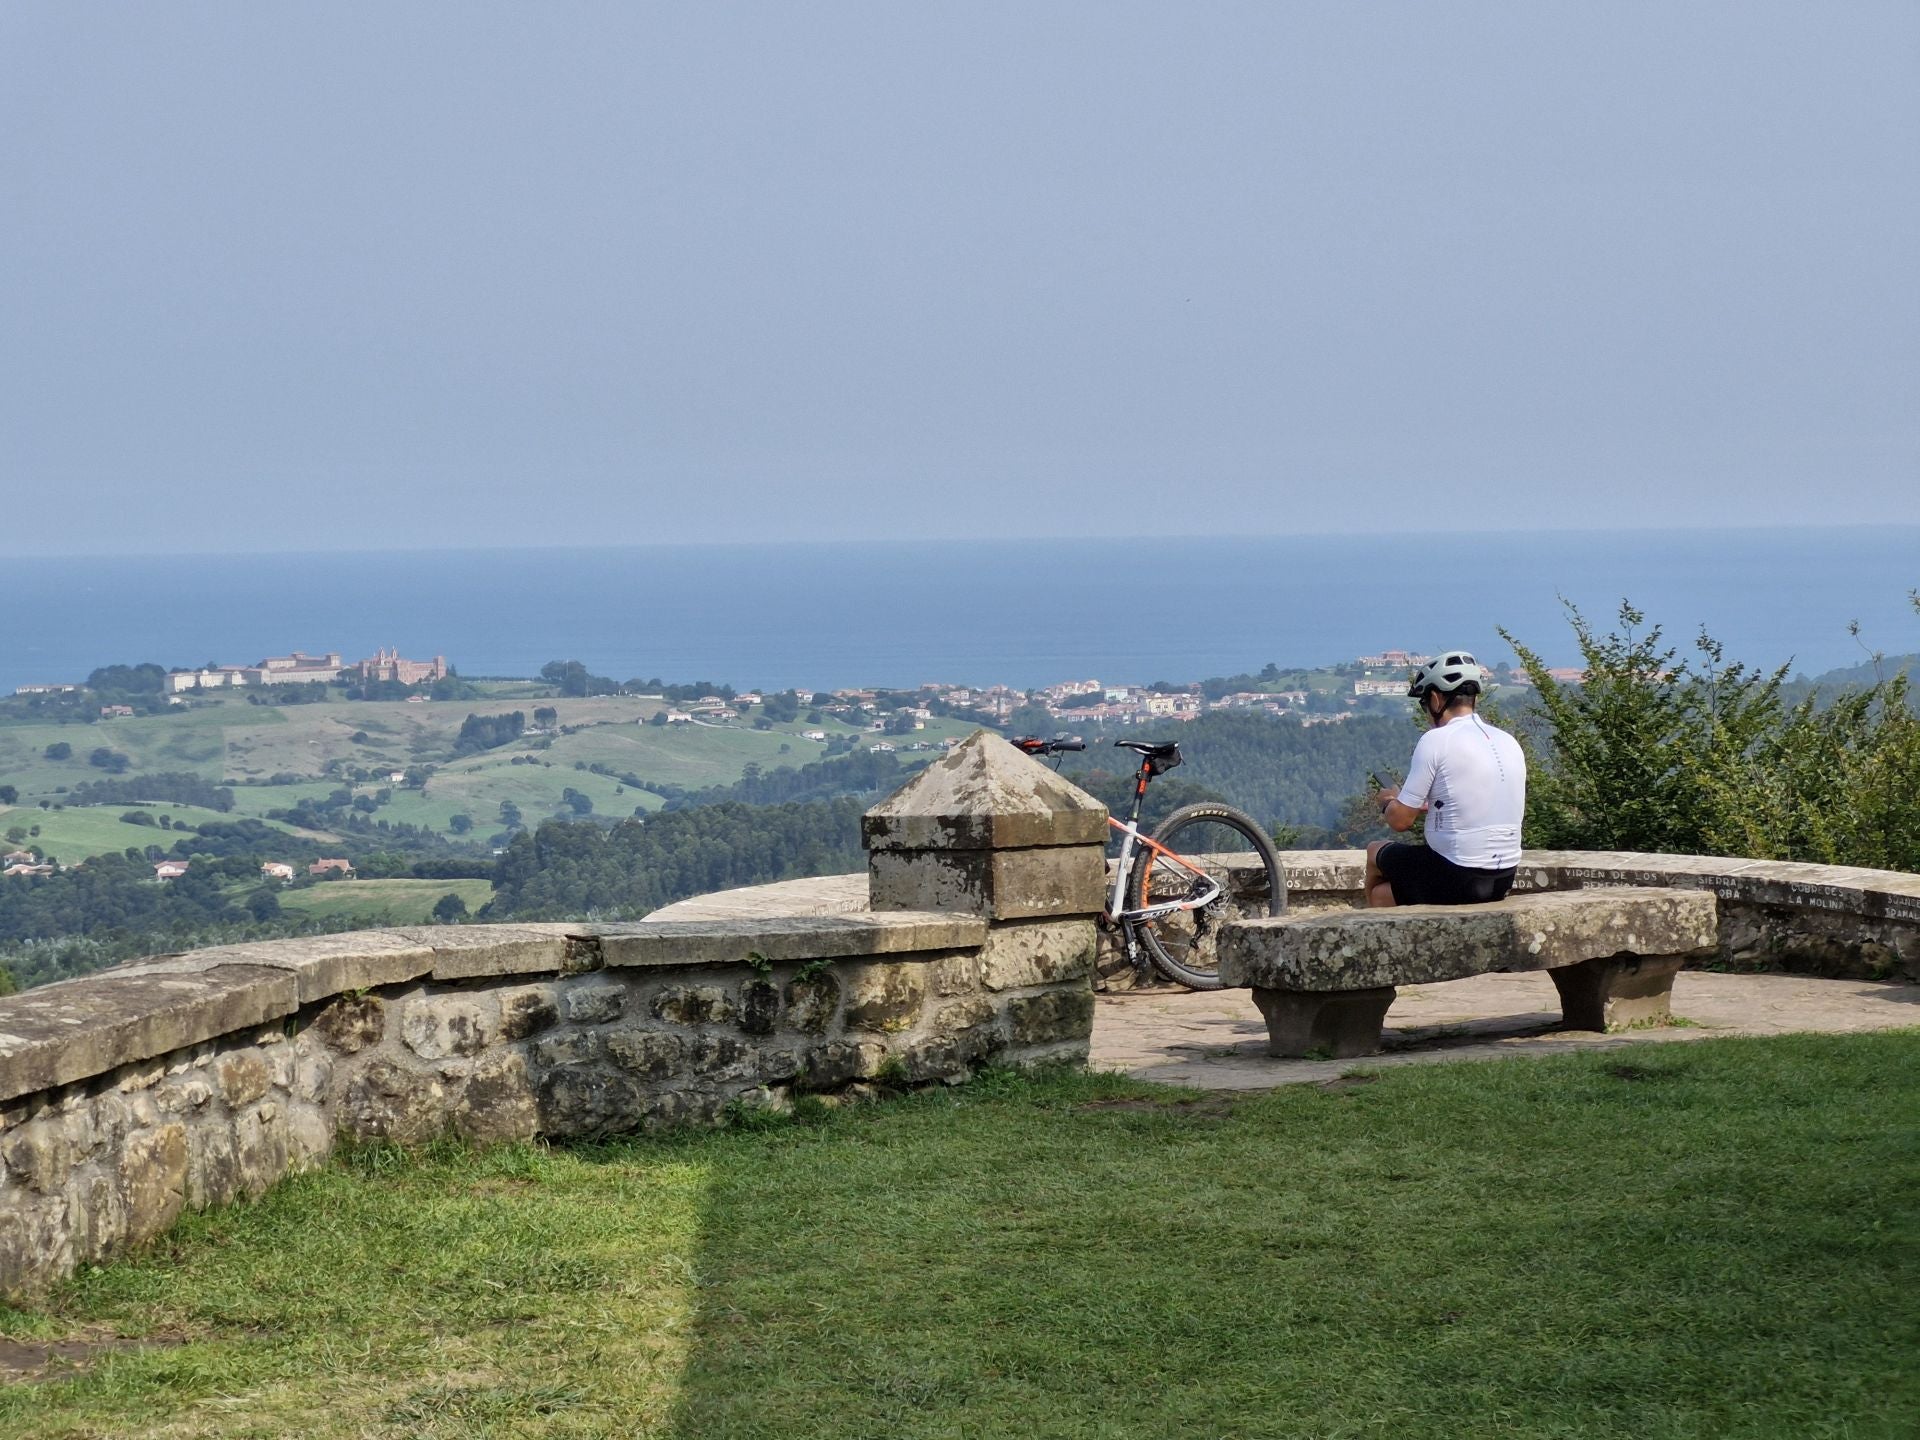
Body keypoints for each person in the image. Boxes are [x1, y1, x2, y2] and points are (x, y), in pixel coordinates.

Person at [1364, 648, 1526, 908]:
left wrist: (1388, 801)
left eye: (1424, 703)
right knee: (1387, 893)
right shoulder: (1508, 741)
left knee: (1375, 852)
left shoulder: (1436, 740)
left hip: (1458, 873)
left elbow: (1400, 821)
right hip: (1504, 875)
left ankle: (1369, 933)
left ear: (1437, 699)